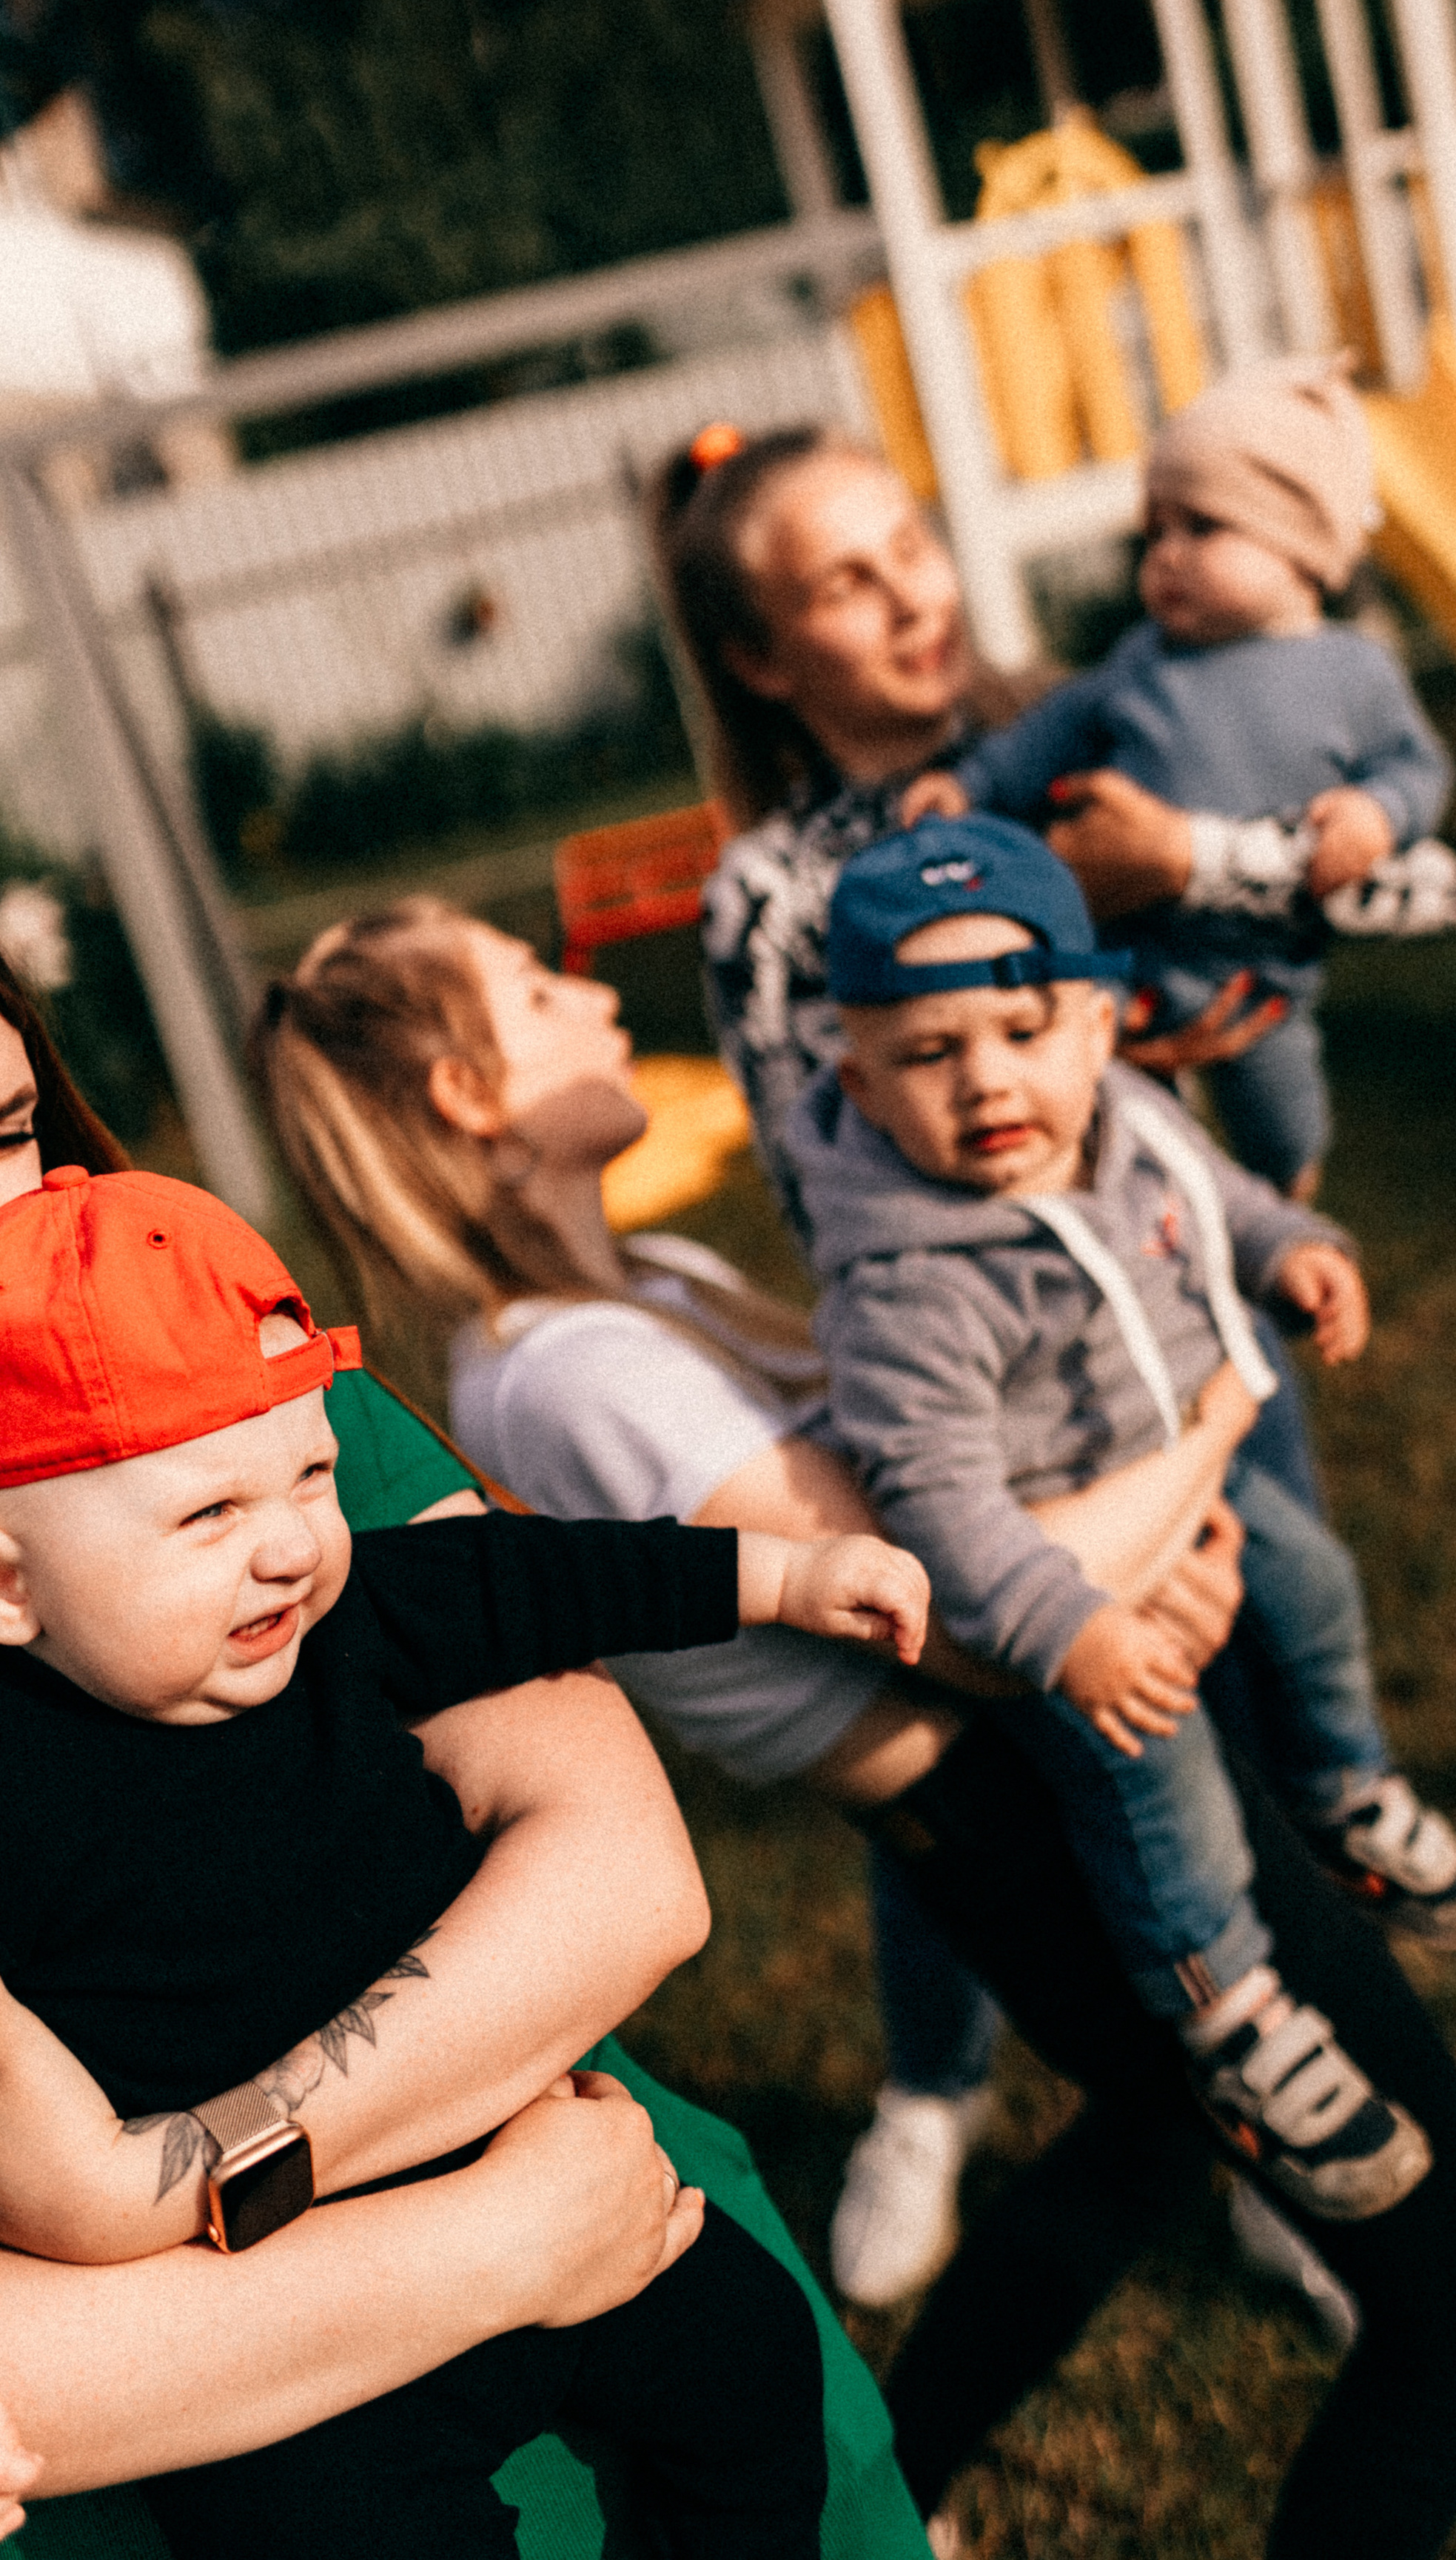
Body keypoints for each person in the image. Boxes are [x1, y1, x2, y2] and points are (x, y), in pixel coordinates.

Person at [251, 893, 1456, 2555]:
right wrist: (1212, 1432)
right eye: (531, 984)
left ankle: (906, 2487)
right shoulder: (570, 1373)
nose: (590, 994)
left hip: (1038, 1784)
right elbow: (947, 1610)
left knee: (1155, 2139)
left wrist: (1138, 1580)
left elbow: (987, 1526)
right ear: (461, 1091)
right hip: (1026, 1815)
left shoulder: (646, 1280)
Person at [0, 948, 939, 2560]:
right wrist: (482, 2242)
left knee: (752, 2410)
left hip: (601, 2205)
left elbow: (620, 1878)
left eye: (8, 1128)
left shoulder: (221, 1395)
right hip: (259, 2443)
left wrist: (176, 2186)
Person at [666, 416, 1385, 2291]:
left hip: (1180, 1299)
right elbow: (837, 1167)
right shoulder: (772, 889)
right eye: (843, 575)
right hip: (979, 1379)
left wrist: (1201, 925)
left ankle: (1266, 2124)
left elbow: (1267, 943)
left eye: (909, 535)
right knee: (1009, 1735)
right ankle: (937, 2080)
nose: (912, 585)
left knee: (1233, 1689)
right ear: (761, 655)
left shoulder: (1092, 734)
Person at [903, 361, 1456, 1199]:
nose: (1165, 556)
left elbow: (1419, 766)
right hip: (1131, 947)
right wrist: (972, 783)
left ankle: (1284, 1197)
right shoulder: (1143, 662)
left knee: (1278, 1112)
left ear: (1301, 547)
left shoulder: (1354, 672)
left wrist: (1378, 814)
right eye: (1154, 531)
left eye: (1201, 528)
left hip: (1256, 973)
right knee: (1107, 1110)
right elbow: (1053, 730)